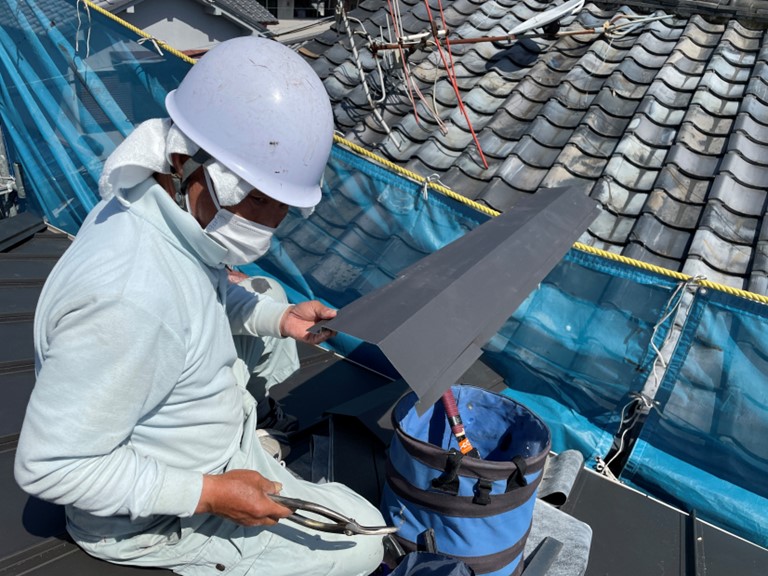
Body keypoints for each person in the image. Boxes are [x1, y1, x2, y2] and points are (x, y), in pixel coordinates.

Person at [14, 37, 385, 576]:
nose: (268, 224)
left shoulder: (154, 201)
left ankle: (248, 436)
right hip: (153, 521)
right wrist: (210, 494)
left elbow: (201, 292)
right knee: (363, 545)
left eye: (282, 207)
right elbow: (52, 467)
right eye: (255, 198)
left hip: (205, 454)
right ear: (186, 163)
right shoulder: (129, 301)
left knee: (268, 294)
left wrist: (275, 320)